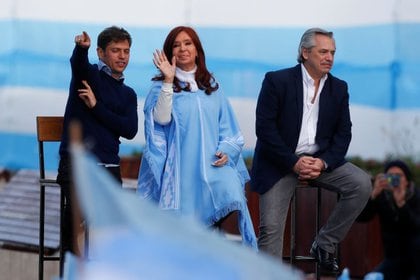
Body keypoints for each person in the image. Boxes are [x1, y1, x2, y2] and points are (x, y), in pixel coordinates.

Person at [250, 27, 371, 272]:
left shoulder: (339, 88)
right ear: (305, 53)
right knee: (270, 230)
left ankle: (324, 244)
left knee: (361, 184)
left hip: (319, 162)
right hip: (279, 163)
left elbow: (343, 133)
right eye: (323, 51)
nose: (329, 57)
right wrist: (292, 162)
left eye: (333, 53)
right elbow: (264, 129)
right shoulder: (277, 80)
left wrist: (323, 162)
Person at [137, 26, 257, 249]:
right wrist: (167, 80)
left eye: (188, 43)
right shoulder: (161, 86)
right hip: (182, 173)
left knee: (228, 195)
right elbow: (160, 120)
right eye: (176, 45)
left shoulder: (212, 85)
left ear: (197, 49)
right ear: (169, 52)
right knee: (183, 237)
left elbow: (229, 129)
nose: (183, 49)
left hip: (213, 169)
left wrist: (227, 152)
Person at [57, 26, 138, 255]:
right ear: (101, 53)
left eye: (126, 51)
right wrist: (81, 49)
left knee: (112, 231)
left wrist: (96, 107)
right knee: (77, 225)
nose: (122, 56)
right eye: (115, 50)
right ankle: (71, 267)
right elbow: (78, 64)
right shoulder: (88, 76)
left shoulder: (128, 94)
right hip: (77, 163)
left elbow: (130, 130)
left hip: (109, 167)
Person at [357, 159, 420, 280]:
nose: (394, 179)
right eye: (390, 176)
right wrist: (373, 195)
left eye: (399, 176)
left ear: (407, 180)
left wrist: (401, 204)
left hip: (416, 257)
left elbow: (416, 226)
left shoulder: (416, 196)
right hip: (393, 257)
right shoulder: (382, 196)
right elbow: (362, 218)